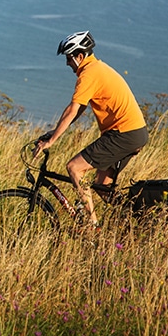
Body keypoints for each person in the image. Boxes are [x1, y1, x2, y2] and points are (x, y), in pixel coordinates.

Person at [33, 31, 148, 228]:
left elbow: (72, 109)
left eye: (69, 58)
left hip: (123, 133)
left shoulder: (89, 74)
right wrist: (54, 132)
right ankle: (138, 220)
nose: (68, 64)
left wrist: (51, 142)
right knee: (102, 187)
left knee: (74, 168)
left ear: (80, 56)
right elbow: (79, 110)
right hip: (133, 133)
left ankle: (92, 226)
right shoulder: (96, 68)